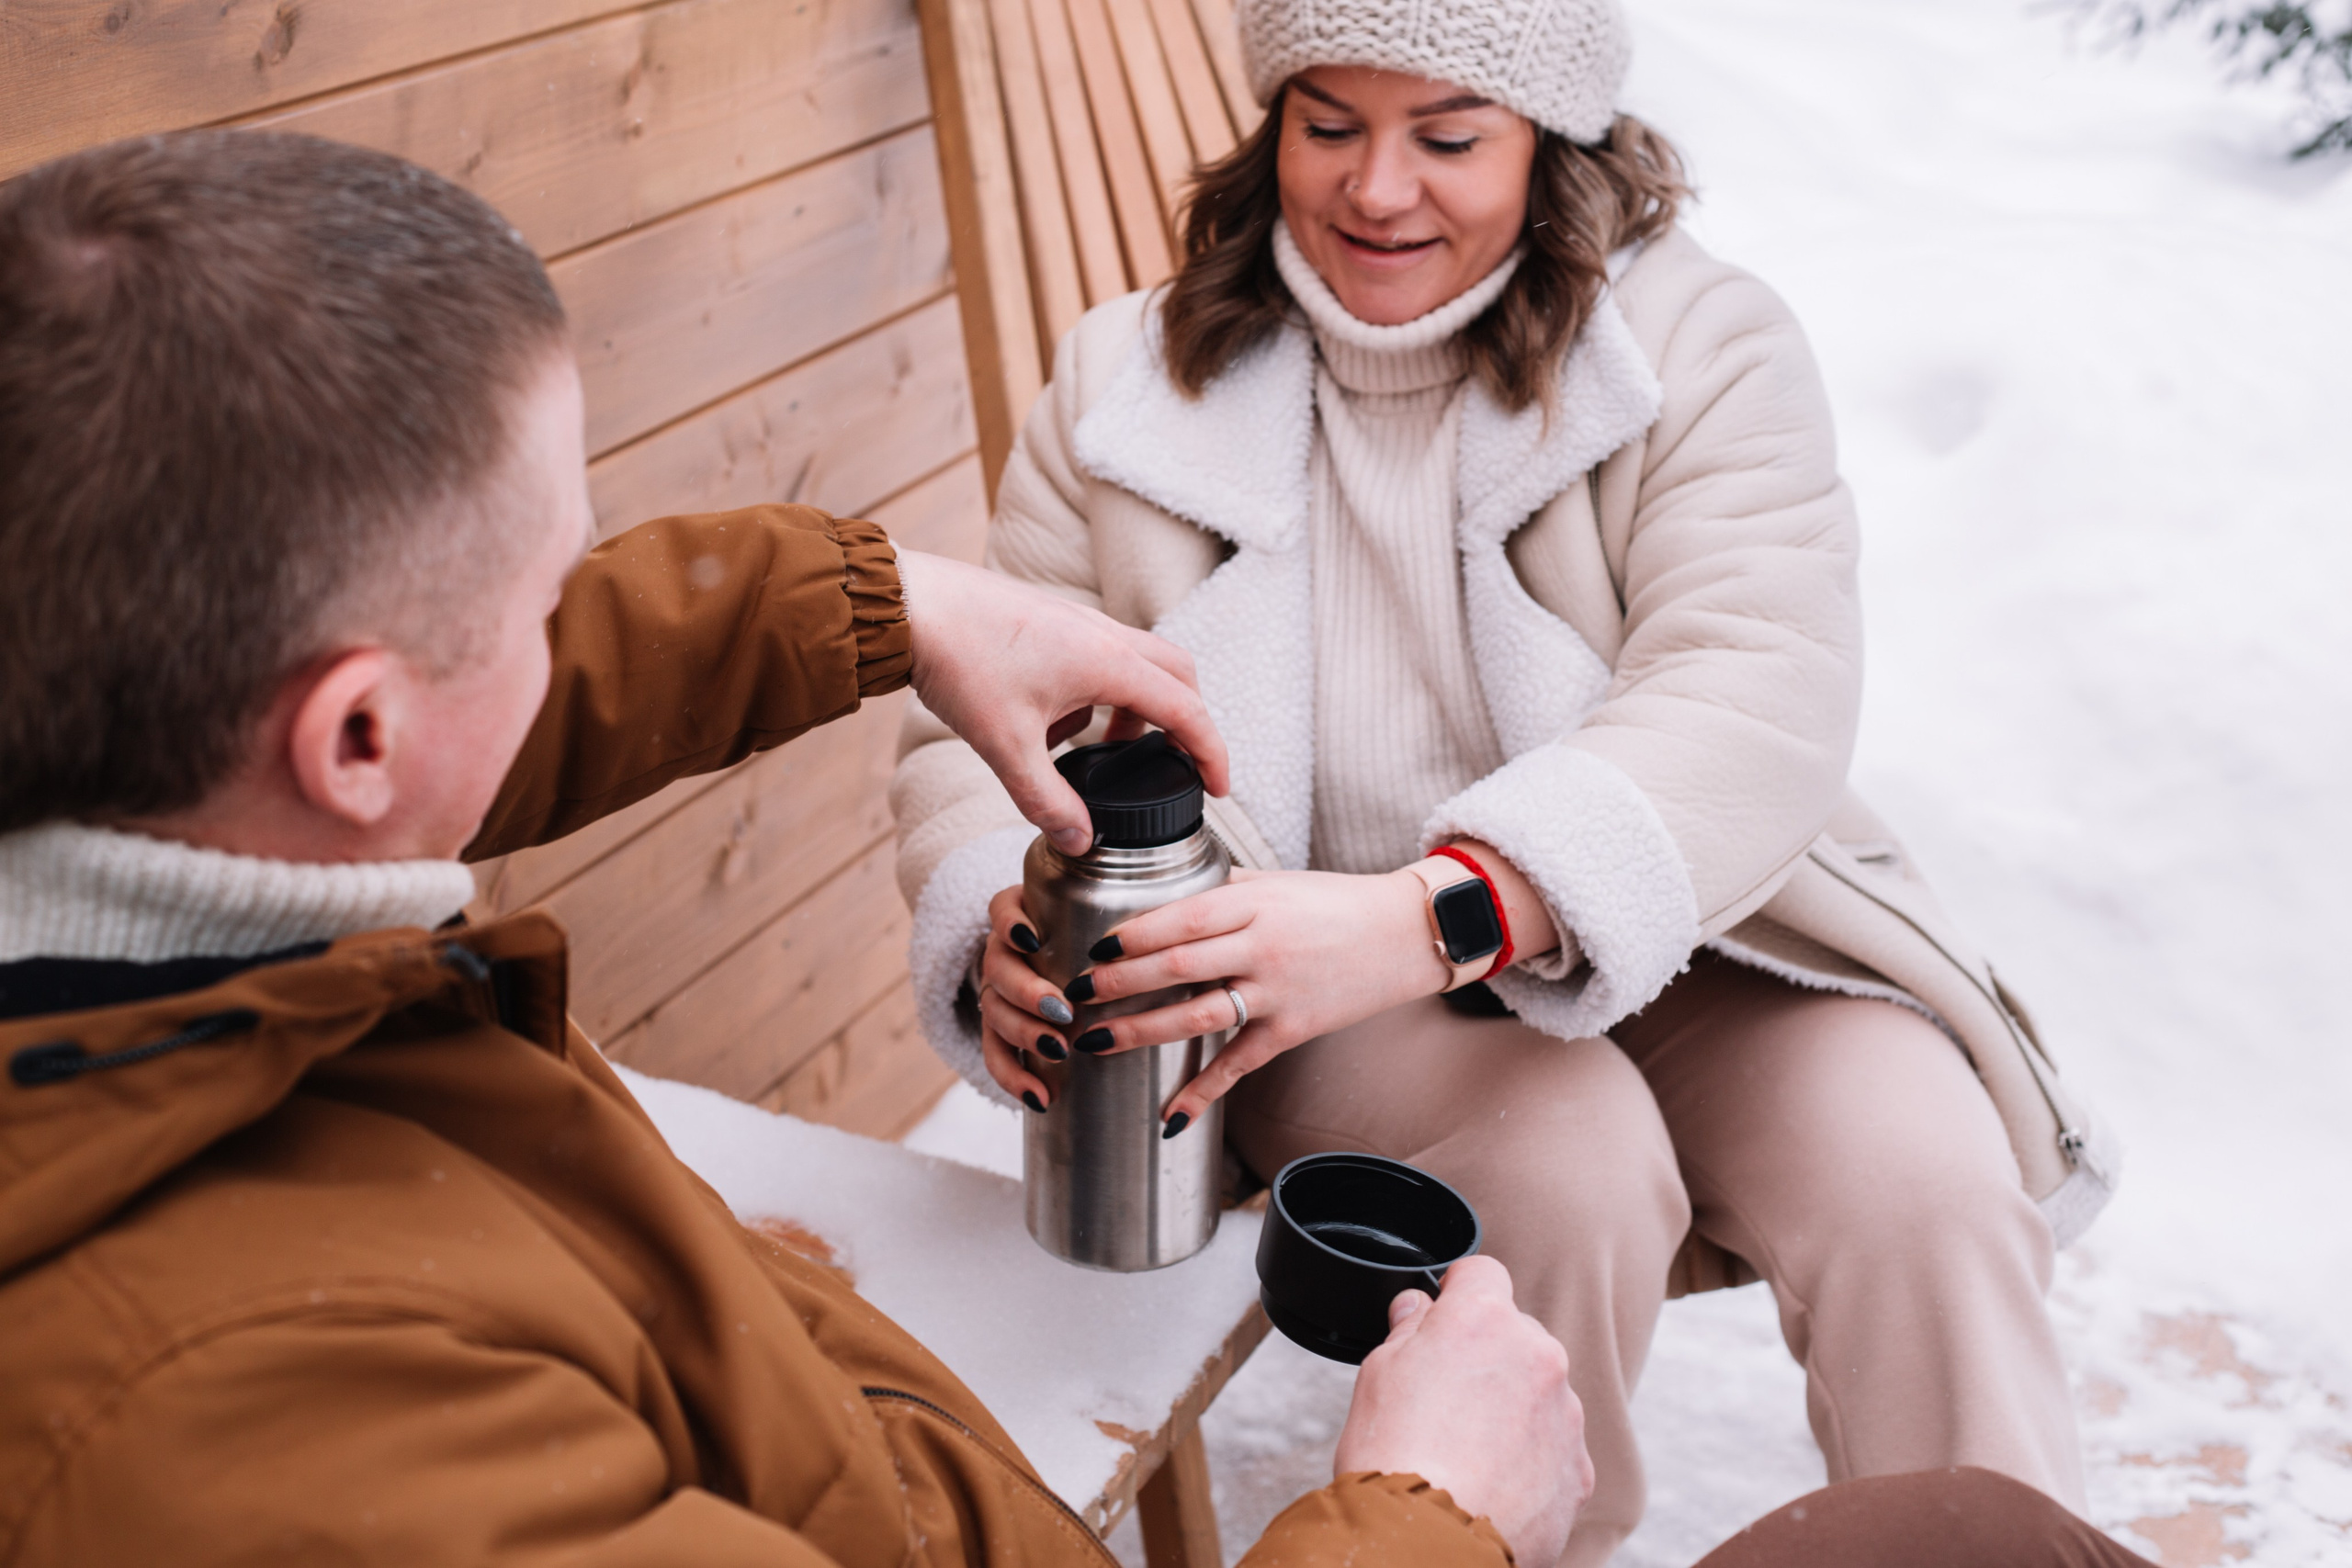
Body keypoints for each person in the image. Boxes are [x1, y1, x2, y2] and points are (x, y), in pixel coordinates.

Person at [0, 130, 1584, 1566]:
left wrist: (881, 601)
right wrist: (1426, 1524)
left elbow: (450, 714)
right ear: (357, 741)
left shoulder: (138, 775)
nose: (571, 617)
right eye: (543, 588)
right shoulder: (287, 1433)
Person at [889, 1, 2123, 1562]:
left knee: (1921, 1179)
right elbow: (983, 733)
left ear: (1555, 143)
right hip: (1307, 980)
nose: (1377, 189)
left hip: (1680, 924)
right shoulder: (1123, 389)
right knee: (1561, 1159)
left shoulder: (1698, 348)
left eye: (1449, 135)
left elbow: (1760, 687)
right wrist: (1002, 917)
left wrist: (1451, 908)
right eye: (1326, 123)